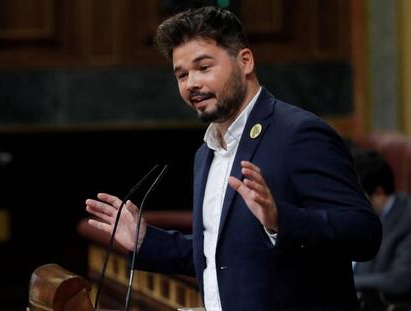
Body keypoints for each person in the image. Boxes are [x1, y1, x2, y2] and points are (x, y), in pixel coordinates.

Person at [86, 6, 382, 311]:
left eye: (203, 67)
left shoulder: (298, 134)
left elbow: (364, 233)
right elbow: (223, 255)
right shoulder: (206, 152)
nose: (191, 84)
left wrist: (281, 220)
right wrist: (145, 241)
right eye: (182, 74)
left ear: (245, 61)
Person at [352, 148, 411, 311]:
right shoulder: (361, 216)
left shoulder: (406, 218)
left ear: (378, 192)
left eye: (357, 195)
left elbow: (400, 280)